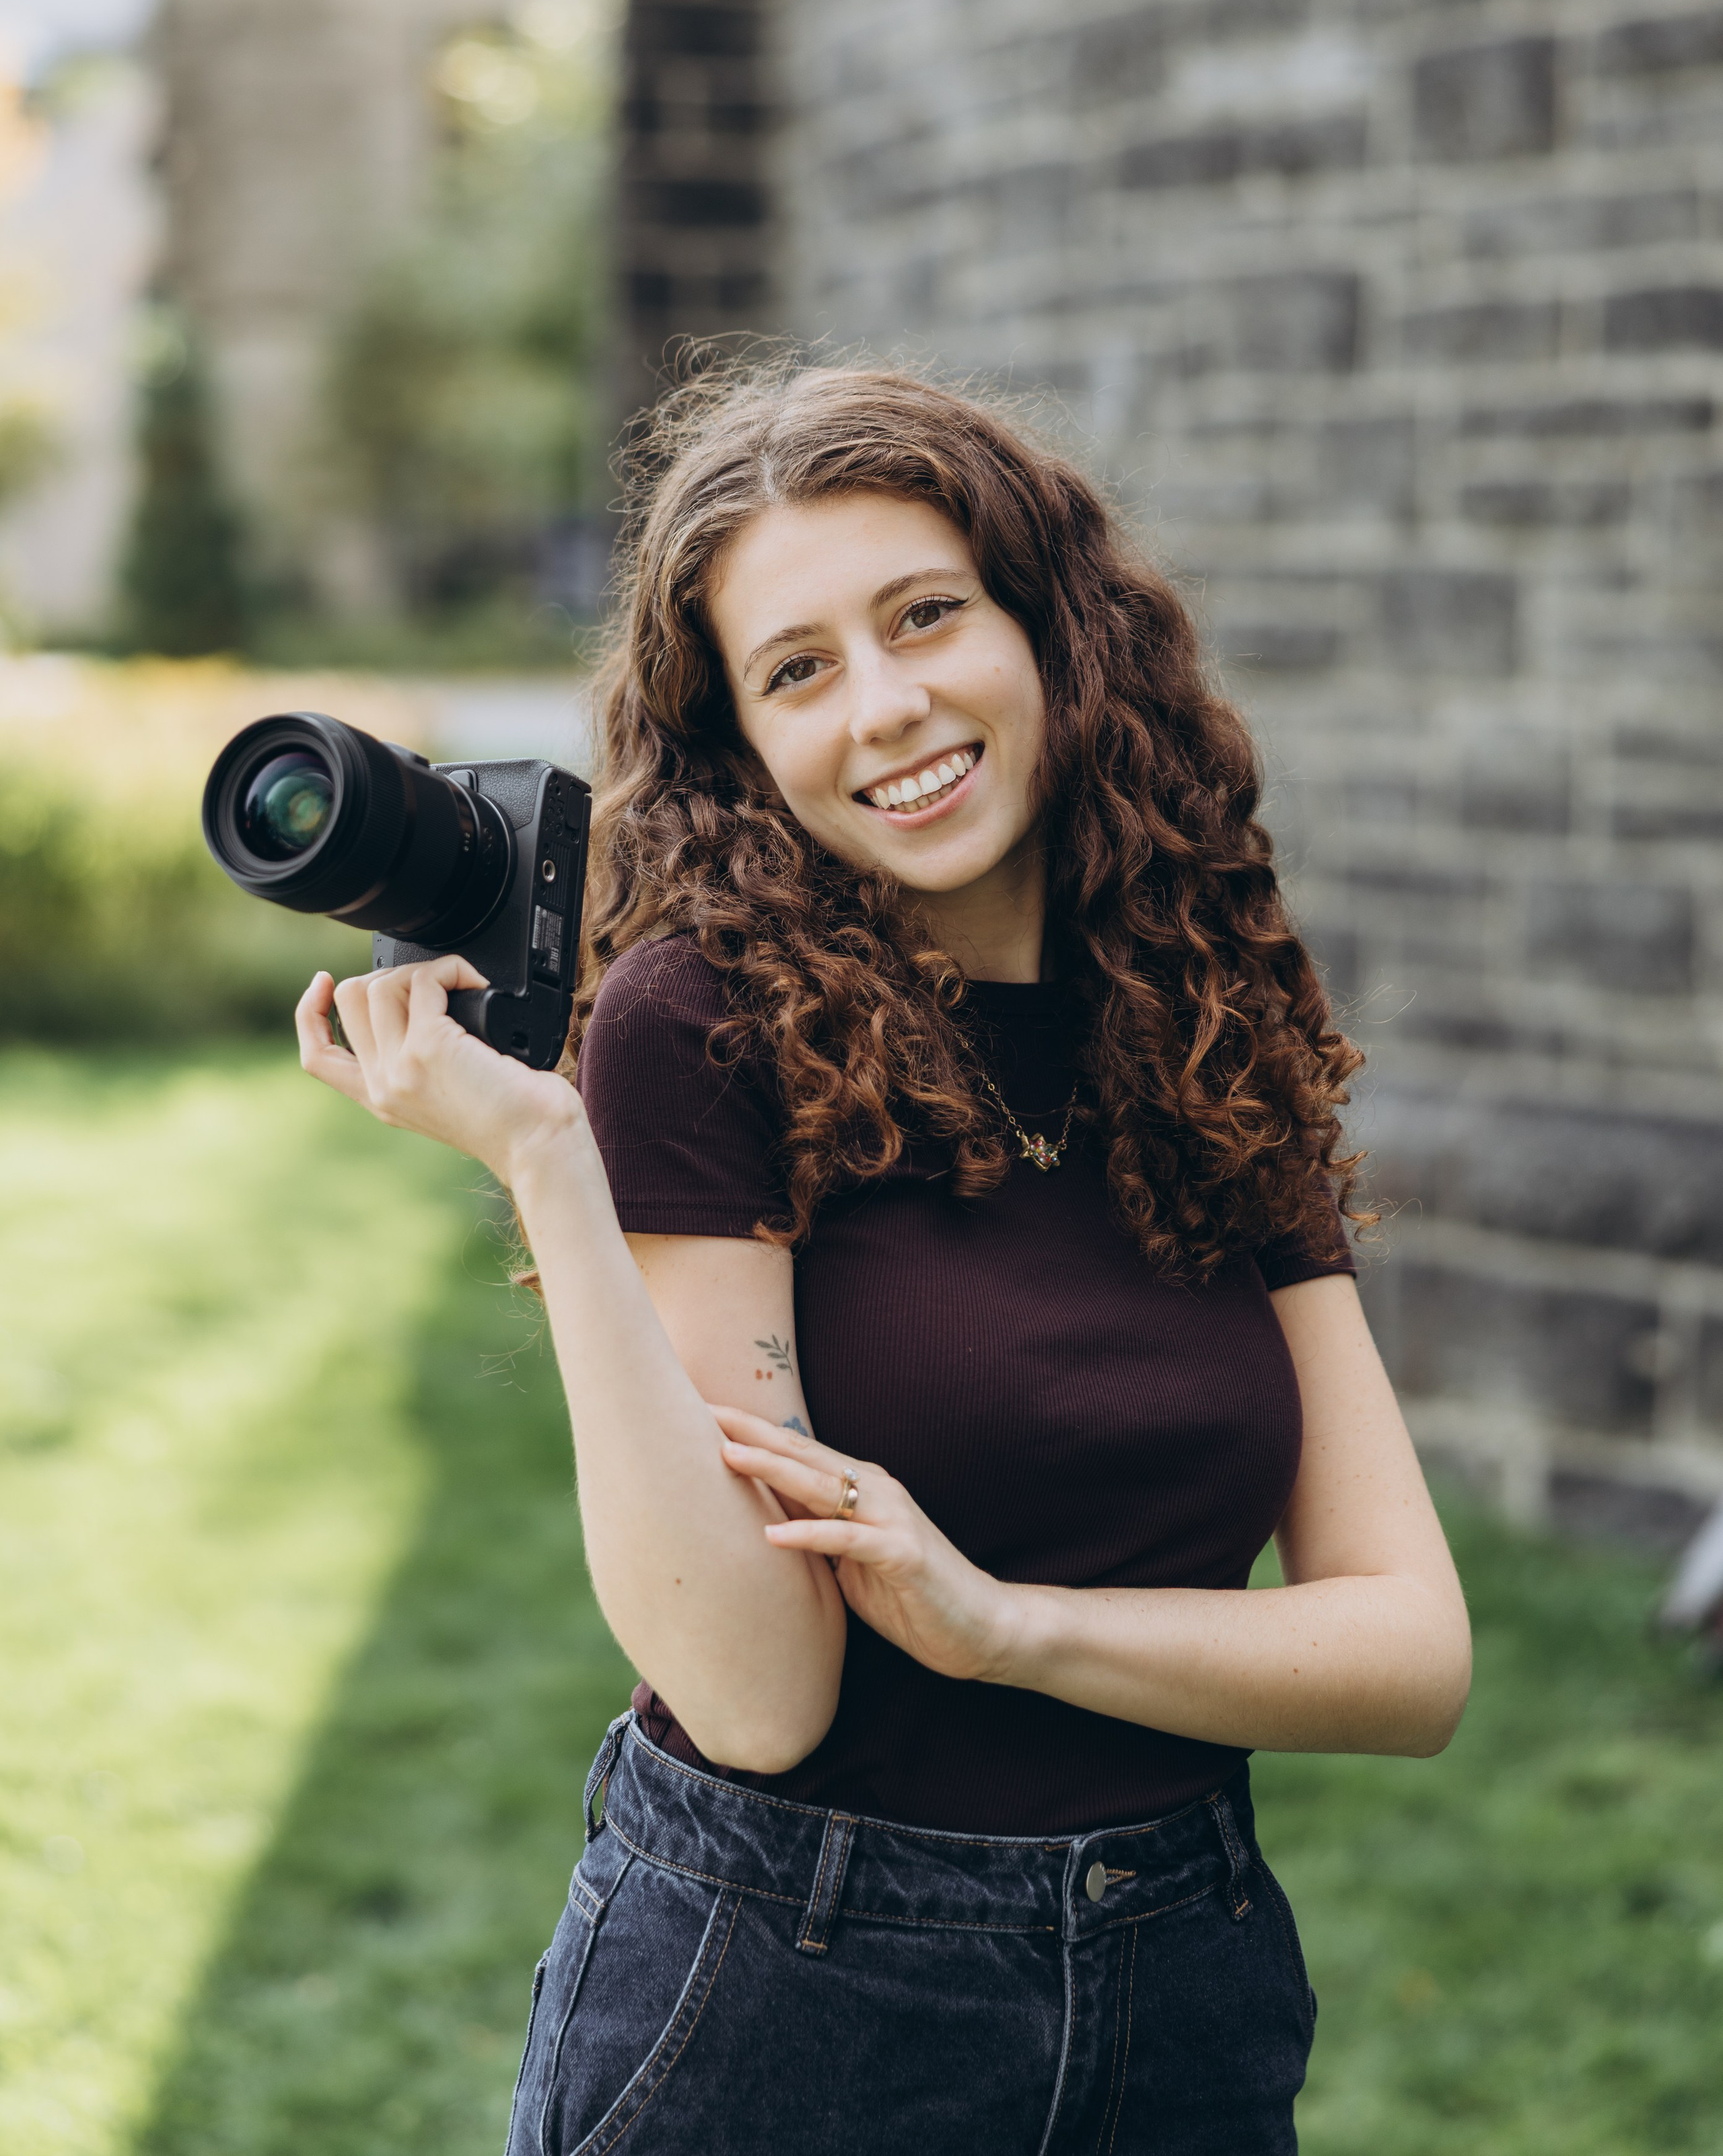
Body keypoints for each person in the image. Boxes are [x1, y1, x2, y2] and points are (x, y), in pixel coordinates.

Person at [297, 364, 1471, 2155]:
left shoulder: (1201, 1009)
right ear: (745, 749)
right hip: (797, 1995)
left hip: (1188, 1992)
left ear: (1052, 627)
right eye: (800, 669)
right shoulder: (706, 1024)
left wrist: (1006, 1630)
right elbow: (758, 1699)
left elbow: (1409, 1657)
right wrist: (549, 1155)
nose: (890, 706)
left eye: (927, 616)